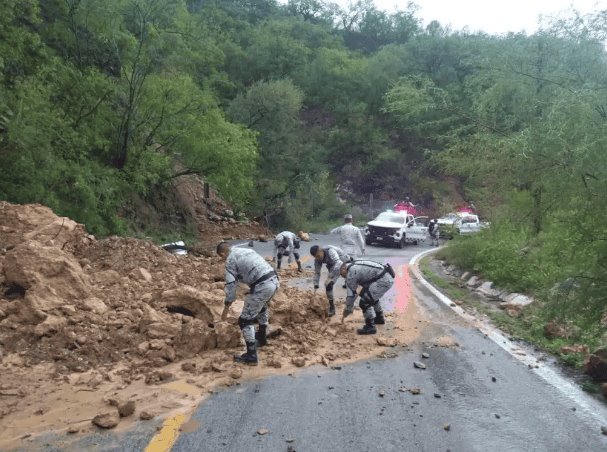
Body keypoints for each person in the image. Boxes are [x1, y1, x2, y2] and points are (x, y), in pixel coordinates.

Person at [217, 242, 279, 365]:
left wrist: (228, 301)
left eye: (221, 256)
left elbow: (231, 285)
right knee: (261, 307)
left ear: (223, 253)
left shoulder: (230, 260)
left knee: (244, 320)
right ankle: (262, 337)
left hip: (263, 286)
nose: (222, 259)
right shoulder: (244, 251)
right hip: (274, 280)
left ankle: (251, 356)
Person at [340, 260, 395, 335]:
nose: (344, 278)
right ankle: (379, 318)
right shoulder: (353, 264)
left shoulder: (351, 273)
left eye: (342, 275)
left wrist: (347, 309)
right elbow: (358, 289)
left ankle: (370, 326)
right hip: (386, 276)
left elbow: (352, 295)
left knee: (364, 302)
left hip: (383, 280)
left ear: (343, 269)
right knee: (371, 296)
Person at [310, 245, 347, 317]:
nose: (318, 258)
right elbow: (317, 272)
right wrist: (316, 284)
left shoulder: (330, 251)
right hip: (332, 266)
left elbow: (338, 263)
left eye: (318, 255)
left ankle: (350, 306)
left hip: (344, 262)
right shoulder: (317, 259)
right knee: (328, 285)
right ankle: (332, 308)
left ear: (321, 250)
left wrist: (330, 277)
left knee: (351, 283)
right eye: (316, 257)